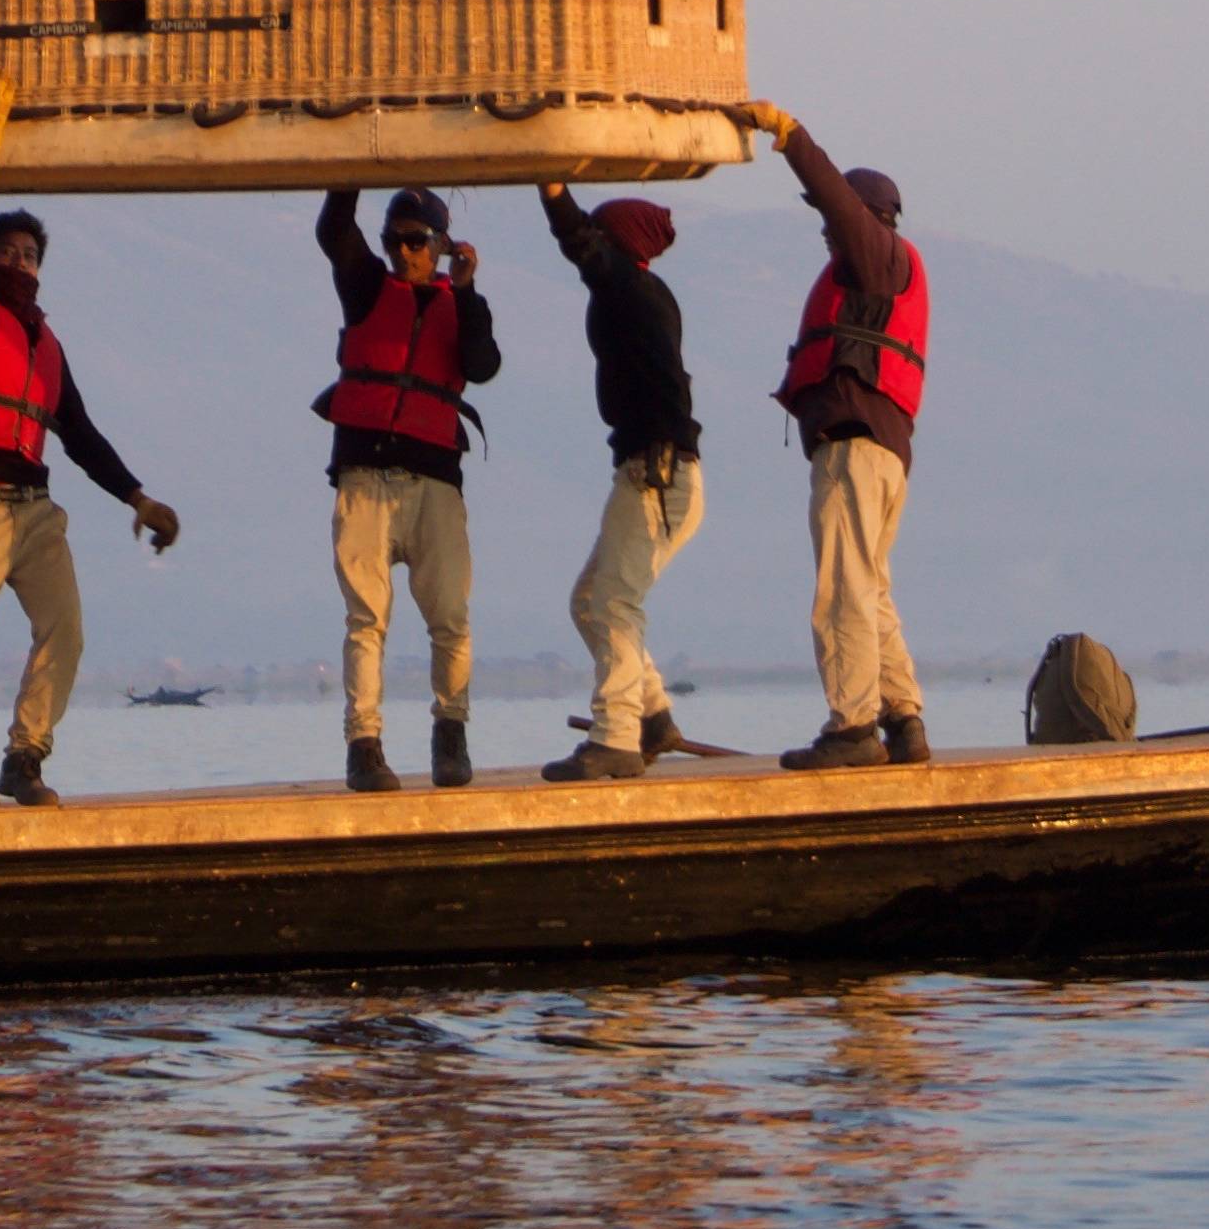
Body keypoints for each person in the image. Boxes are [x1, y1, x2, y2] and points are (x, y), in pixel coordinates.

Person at [0, 196, 183, 803]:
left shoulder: (46, 344)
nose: (18, 263)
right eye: (5, 253)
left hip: (34, 510)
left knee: (65, 631)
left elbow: (82, 435)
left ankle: (26, 756)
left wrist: (137, 499)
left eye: (29, 256)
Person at [746, 101, 933, 767]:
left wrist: (788, 135)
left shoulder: (875, 256)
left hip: (855, 446)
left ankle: (852, 728)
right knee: (871, 585)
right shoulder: (886, 267)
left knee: (843, 587)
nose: (827, 237)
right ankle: (902, 719)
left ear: (866, 219)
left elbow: (833, 199)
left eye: (836, 223)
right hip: (883, 450)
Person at [313, 185, 501, 790]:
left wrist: (466, 288)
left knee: (450, 616)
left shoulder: (465, 302)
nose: (402, 252)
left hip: (436, 482)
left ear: (441, 246)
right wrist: (350, 171)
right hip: (364, 477)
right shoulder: (366, 286)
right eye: (394, 239)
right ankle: (363, 745)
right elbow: (334, 233)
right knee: (366, 618)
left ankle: (451, 733)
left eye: (416, 241)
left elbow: (482, 365)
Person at [531, 189, 705, 783]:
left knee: (613, 602)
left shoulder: (629, 288)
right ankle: (652, 718)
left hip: (658, 476)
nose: (593, 248)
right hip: (648, 471)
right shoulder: (640, 293)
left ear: (618, 244)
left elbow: (578, 242)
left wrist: (551, 187)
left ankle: (615, 738)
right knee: (591, 602)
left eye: (603, 238)